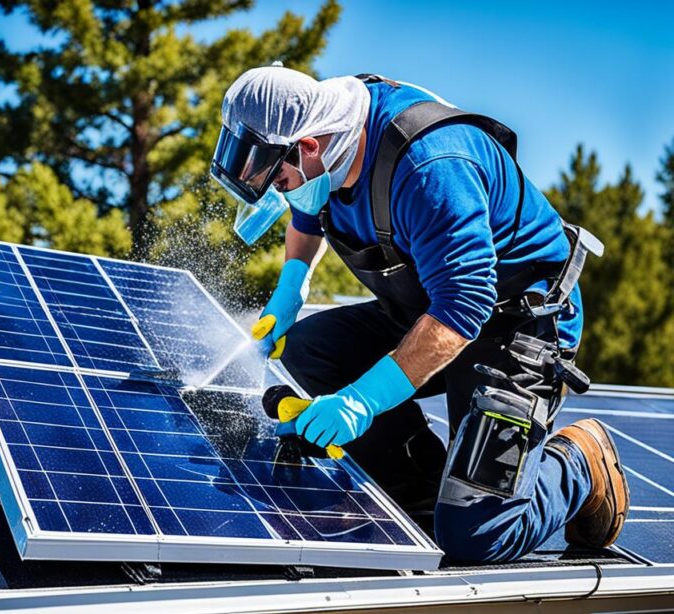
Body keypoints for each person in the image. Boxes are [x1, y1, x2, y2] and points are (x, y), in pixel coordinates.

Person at [209, 65, 628, 563]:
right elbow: (307, 215)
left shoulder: (430, 168)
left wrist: (361, 401)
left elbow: (463, 306)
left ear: (309, 146)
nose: (283, 191)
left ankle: (580, 461)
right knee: (308, 350)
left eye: (280, 179)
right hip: (428, 310)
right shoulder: (326, 141)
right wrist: (289, 292)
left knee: (477, 538)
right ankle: (430, 494)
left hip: (516, 324)